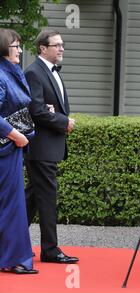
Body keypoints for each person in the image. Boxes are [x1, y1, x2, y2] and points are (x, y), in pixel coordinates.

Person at [24, 29, 78, 264]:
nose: (61, 48)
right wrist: (64, 121)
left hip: (48, 146)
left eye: (62, 44)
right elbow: (36, 110)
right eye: (56, 45)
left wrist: (54, 113)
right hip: (41, 147)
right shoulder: (34, 73)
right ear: (42, 48)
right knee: (46, 197)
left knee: (32, 198)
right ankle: (50, 250)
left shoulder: (50, 71)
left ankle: (7, 239)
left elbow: (49, 107)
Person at [0, 28, 38, 274]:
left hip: (11, 147)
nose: (20, 50)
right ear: (4, 48)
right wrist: (16, 135)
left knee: (10, 203)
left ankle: (12, 255)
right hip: (6, 148)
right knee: (12, 204)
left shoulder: (8, 72)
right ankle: (14, 259)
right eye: (16, 46)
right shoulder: (1, 74)